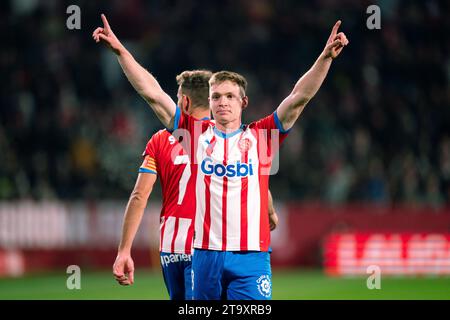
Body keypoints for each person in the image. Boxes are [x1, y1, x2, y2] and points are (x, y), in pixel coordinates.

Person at [93, 14, 346, 300]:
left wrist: (325, 58)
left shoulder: (261, 137)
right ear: (209, 102)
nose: (222, 102)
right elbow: (152, 94)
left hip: (250, 257)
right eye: (216, 97)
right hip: (205, 256)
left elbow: (299, 96)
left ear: (243, 102)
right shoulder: (193, 135)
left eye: (229, 96)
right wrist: (121, 52)